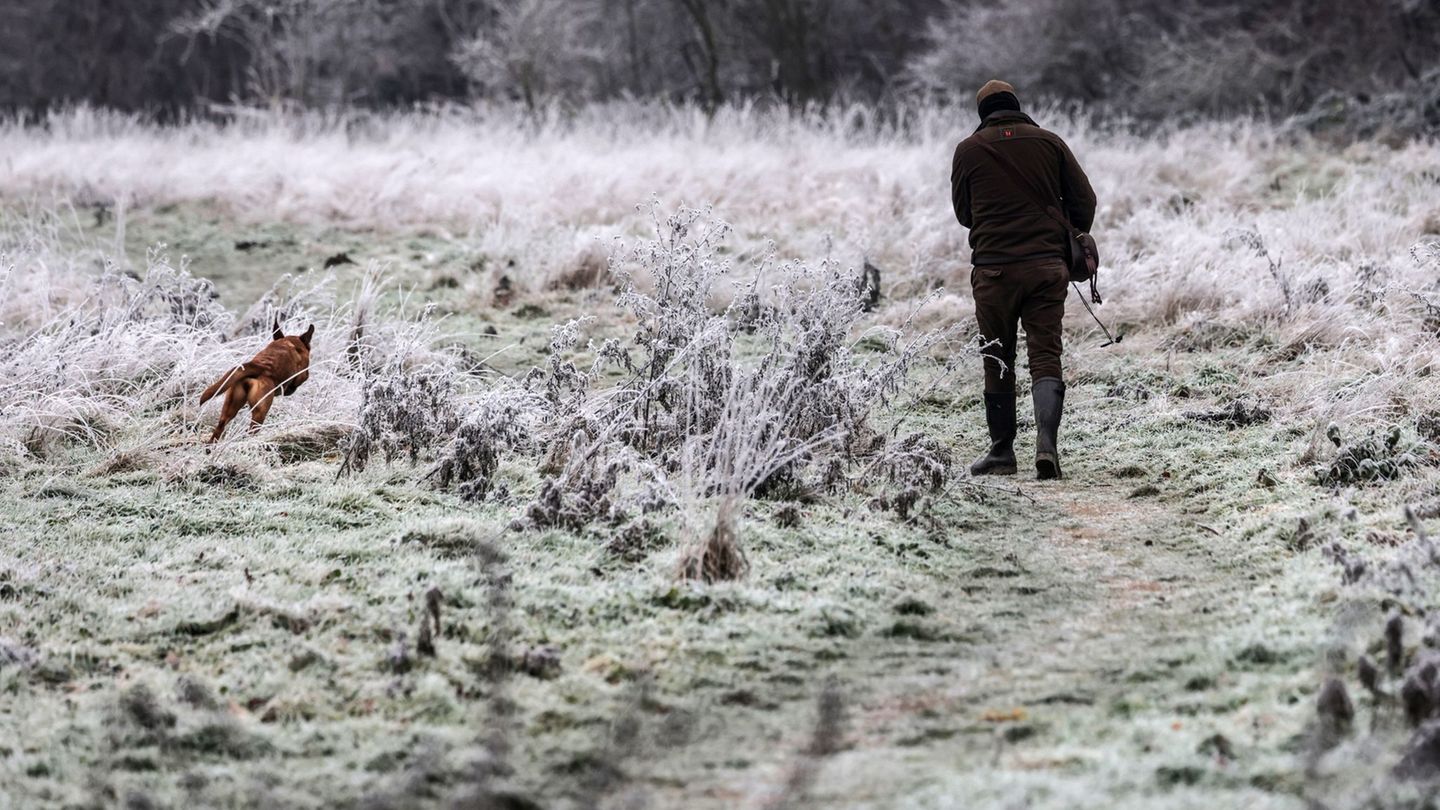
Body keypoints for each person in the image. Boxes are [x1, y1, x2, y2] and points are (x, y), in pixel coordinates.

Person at [950, 79, 1096, 480]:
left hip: (994, 271)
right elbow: (1085, 201)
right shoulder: (1050, 142)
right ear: (1016, 105)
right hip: (1047, 269)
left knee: (998, 358)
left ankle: (1002, 453)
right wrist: (1063, 238)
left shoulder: (968, 150)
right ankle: (1046, 447)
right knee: (1045, 354)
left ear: (983, 113)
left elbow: (964, 215)